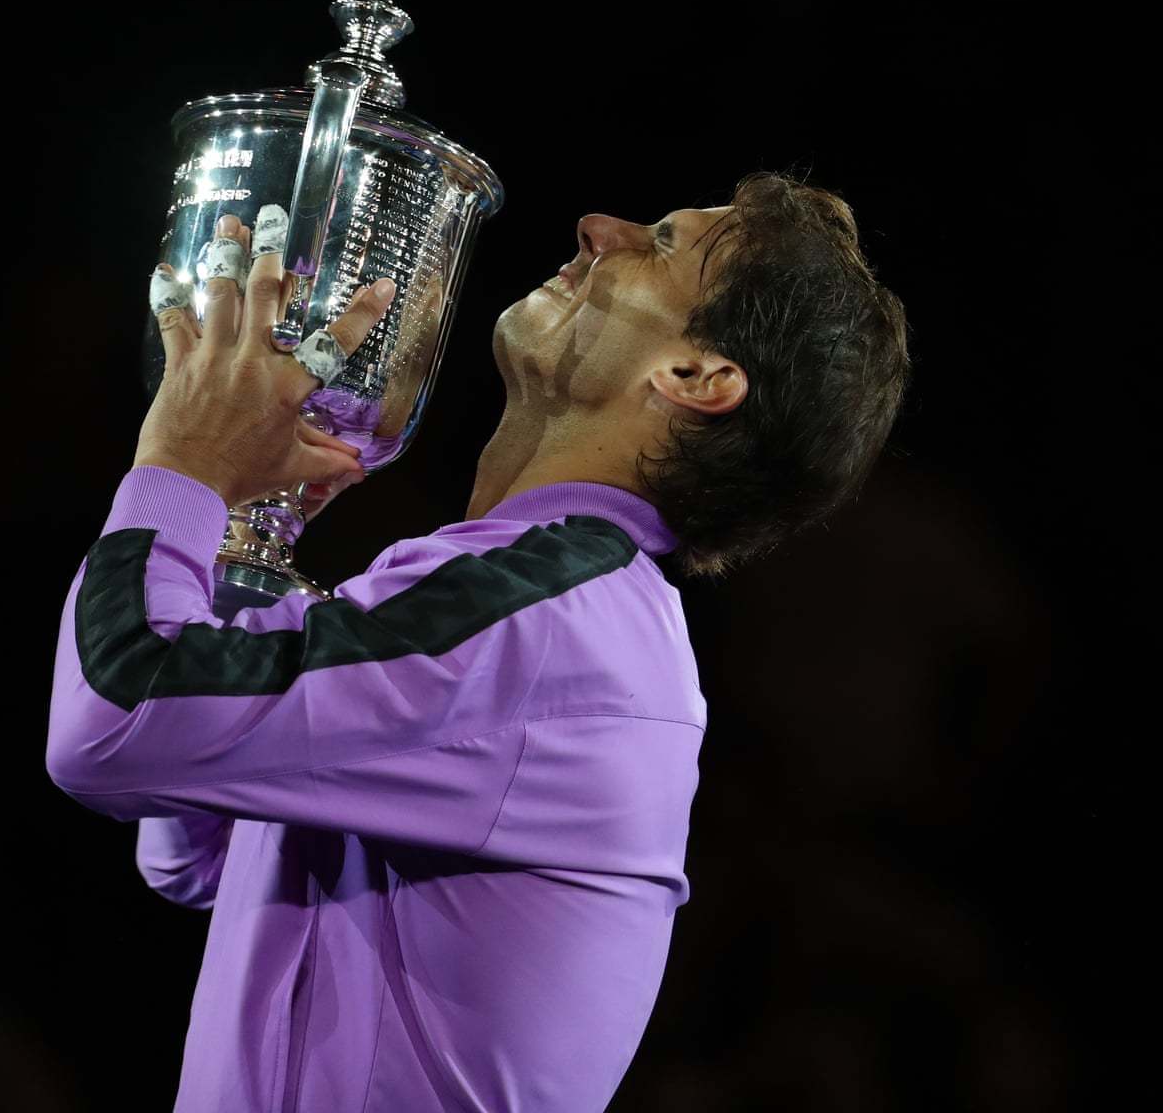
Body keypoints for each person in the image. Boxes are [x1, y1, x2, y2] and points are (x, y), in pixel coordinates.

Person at [46, 168, 909, 1112]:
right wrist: (243, 535)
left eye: (661, 243)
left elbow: (117, 723)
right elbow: (199, 851)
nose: (598, 226)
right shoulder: (528, 593)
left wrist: (182, 468)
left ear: (697, 379)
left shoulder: (545, 622)